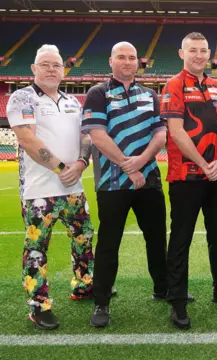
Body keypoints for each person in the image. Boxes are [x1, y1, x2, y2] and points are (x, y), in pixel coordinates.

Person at [161, 32, 217, 330]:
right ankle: (177, 301)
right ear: (181, 53)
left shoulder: (215, 86)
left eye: (203, 51)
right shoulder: (174, 85)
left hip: (216, 175)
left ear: (210, 53)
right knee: (181, 240)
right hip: (186, 177)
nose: (198, 56)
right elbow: (176, 132)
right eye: (192, 50)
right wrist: (203, 164)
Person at [82, 42, 171, 328]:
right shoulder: (98, 93)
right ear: (111, 61)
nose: (128, 62)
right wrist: (127, 165)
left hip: (149, 180)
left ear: (138, 62)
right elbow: (97, 135)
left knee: (157, 238)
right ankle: (101, 302)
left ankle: (162, 289)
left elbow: (160, 134)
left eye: (132, 58)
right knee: (109, 244)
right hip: (112, 183)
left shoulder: (150, 94)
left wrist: (141, 161)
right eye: (122, 57)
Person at [7, 44, 94, 330]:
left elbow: (86, 137)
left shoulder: (73, 101)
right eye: (45, 64)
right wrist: (61, 168)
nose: (51, 69)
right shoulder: (22, 98)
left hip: (74, 188)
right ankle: (39, 304)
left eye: (56, 65)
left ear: (63, 69)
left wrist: (80, 163)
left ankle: (83, 285)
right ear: (33, 69)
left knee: (83, 239)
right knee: (36, 249)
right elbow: (28, 140)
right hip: (39, 192)